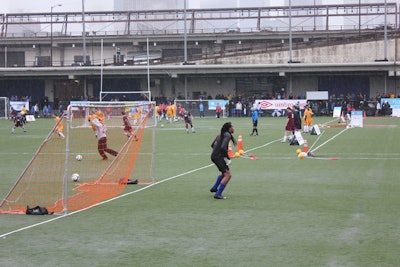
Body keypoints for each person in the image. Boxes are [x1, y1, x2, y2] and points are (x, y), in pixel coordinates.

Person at [210, 122, 236, 199]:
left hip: (215, 156)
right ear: (229, 128)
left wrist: (218, 152)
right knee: (228, 175)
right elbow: (223, 147)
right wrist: (227, 157)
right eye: (233, 127)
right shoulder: (227, 135)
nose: (234, 128)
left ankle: (214, 188)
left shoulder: (221, 134)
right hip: (218, 157)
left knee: (224, 173)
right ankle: (218, 194)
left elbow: (212, 145)